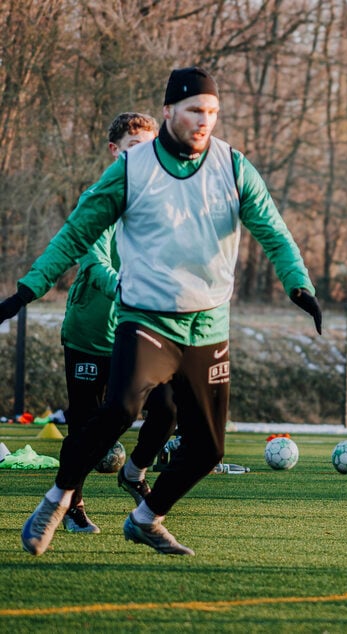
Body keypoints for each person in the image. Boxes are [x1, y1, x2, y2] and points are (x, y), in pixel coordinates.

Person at [1, 66, 322, 556]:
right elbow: (75, 234)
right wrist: (28, 289)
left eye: (212, 112)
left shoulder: (234, 167)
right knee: (120, 409)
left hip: (208, 324)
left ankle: (147, 517)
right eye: (195, 110)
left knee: (209, 447)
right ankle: (58, 498)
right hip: (147, 317)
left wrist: (298, 283)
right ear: (169, 111)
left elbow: (274, 231)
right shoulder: (132, 169)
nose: (204, 121)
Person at [59, 112, 178, 534]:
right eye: (135, 150)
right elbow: (94, 262)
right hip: (91, 334)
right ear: (115, 152)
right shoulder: (96, 198)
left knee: (167, 407)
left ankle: (135, 472)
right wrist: (130, 292)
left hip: (140, 332)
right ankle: (72, 504)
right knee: (85, 426)